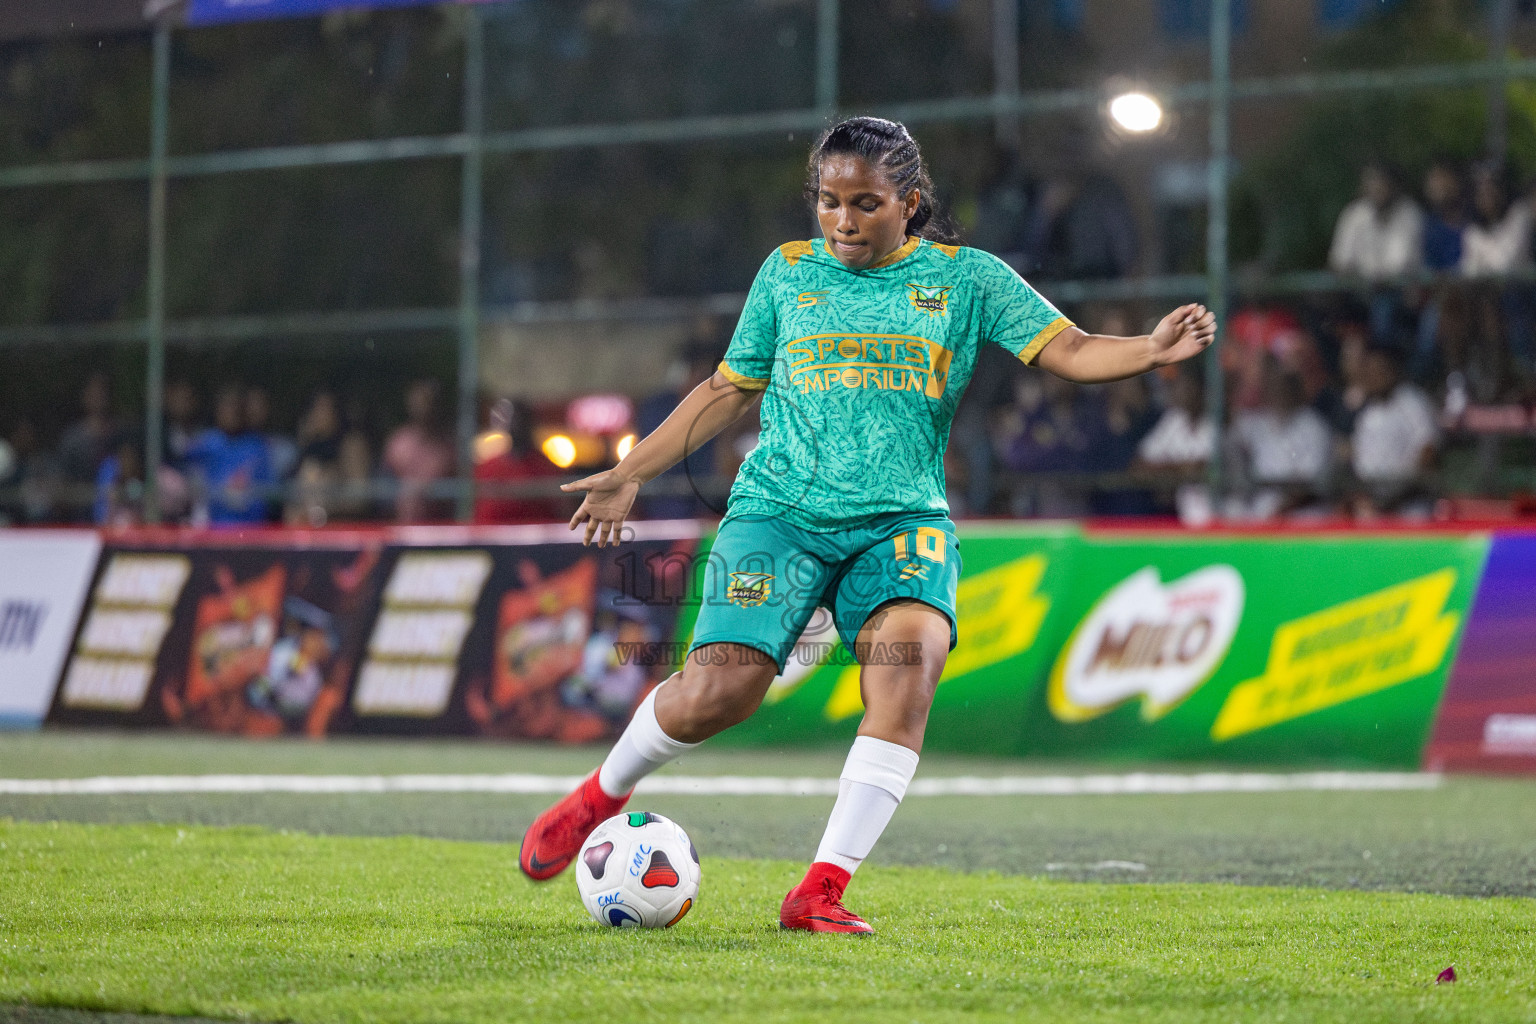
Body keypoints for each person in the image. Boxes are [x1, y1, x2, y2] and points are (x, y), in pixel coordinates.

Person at [516, 117, 1216, 933]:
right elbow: (726, 389)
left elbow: (1072, 349)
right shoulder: (787, 274)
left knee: (911, 660)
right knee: (720, 691)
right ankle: (599, 795)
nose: (843, 221)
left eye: (866, 203)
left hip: (901, 522)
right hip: (778, 513)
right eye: (829, 201)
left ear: (909, 204)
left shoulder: (967, 281)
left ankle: (820, 890)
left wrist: (1151, 349)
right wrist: (630, 474)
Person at [1350, 346, 1439, 518]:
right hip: (1373, 503)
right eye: (1370, 370)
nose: (1374, 376)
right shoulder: (1367, 412)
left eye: (1380, 369)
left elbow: (1428, 450)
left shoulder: (1412, 402)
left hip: (1409, 503)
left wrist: (1400, 493)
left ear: (1393, 370)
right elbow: (1360, 462)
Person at [184, 385, 275, 526]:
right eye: (225, 408)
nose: (230, 413)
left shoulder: (256, 446)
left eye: (235, 408)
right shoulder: (206, 443)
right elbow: (186, 475)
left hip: (251, 528)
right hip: (212, 526)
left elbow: (268, 490)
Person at [383, 378, 454, 523]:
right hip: (400, 529)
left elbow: (456, 495)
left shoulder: (448, 448)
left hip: (438, 530)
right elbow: (383, 491)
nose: (421, 406)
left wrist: (433, 491)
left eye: (426, 400)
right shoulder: (398, 443)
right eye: (417, 400)